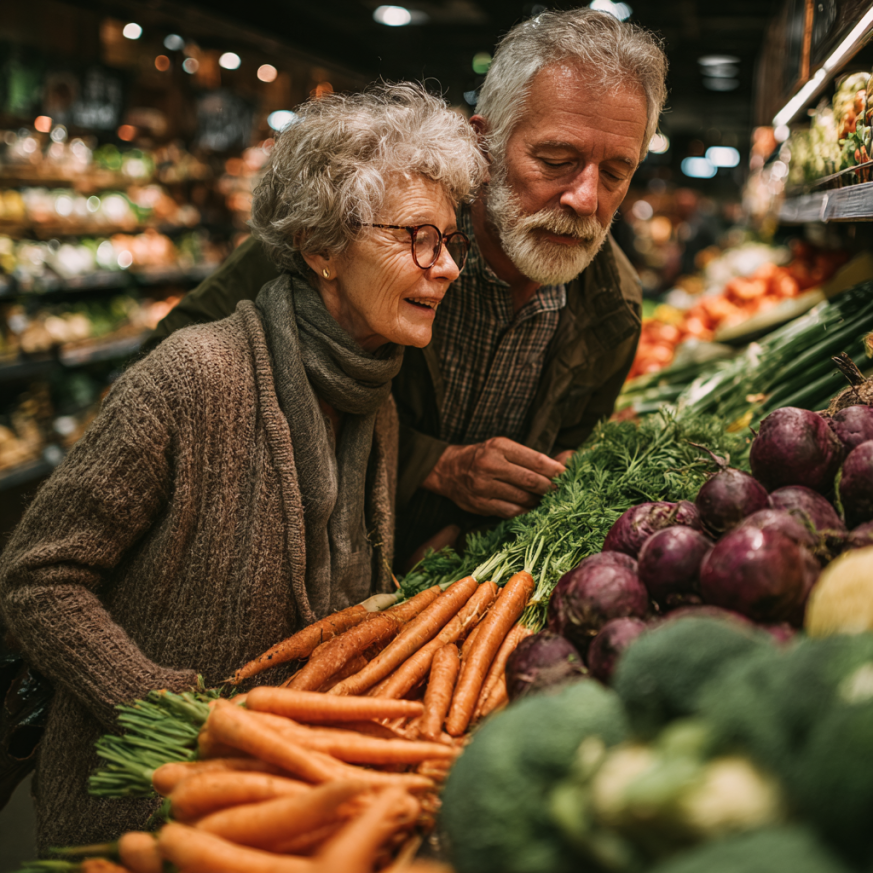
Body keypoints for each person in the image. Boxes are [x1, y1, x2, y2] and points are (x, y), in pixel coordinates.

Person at [0, 83, 485, 850]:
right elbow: (36, 574)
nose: (447, 266)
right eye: (419, 237)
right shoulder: (194, 376)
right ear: (322, 246)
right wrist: (170, 712)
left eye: (450, 240)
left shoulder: (375, 399)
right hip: (136, 815)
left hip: (277, 811)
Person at [150, 8, 669, 568]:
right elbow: (170, 364)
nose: (585, 199)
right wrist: (434, 465)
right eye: (556, 160)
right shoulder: (365, 224)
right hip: (294, 568)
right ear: (485, 145)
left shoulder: (613, 307)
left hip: (438, 600)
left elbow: (561, 460)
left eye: (616, 172)